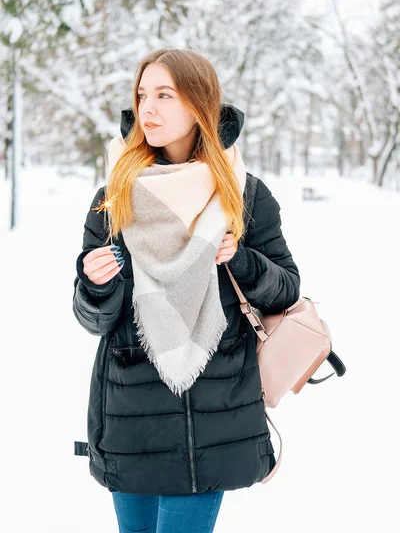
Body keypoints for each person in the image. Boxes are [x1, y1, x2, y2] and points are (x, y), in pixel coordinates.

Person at [73, 48, 301, 533]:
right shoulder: (114, 196)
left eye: (163, 95)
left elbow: (286, 290)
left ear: (199, 104)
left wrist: (239, 260)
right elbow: (94, 320)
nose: (146, 109)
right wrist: (95, 286)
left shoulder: (244, 194)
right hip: (132, 413)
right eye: (141, 95)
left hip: (212, 419)